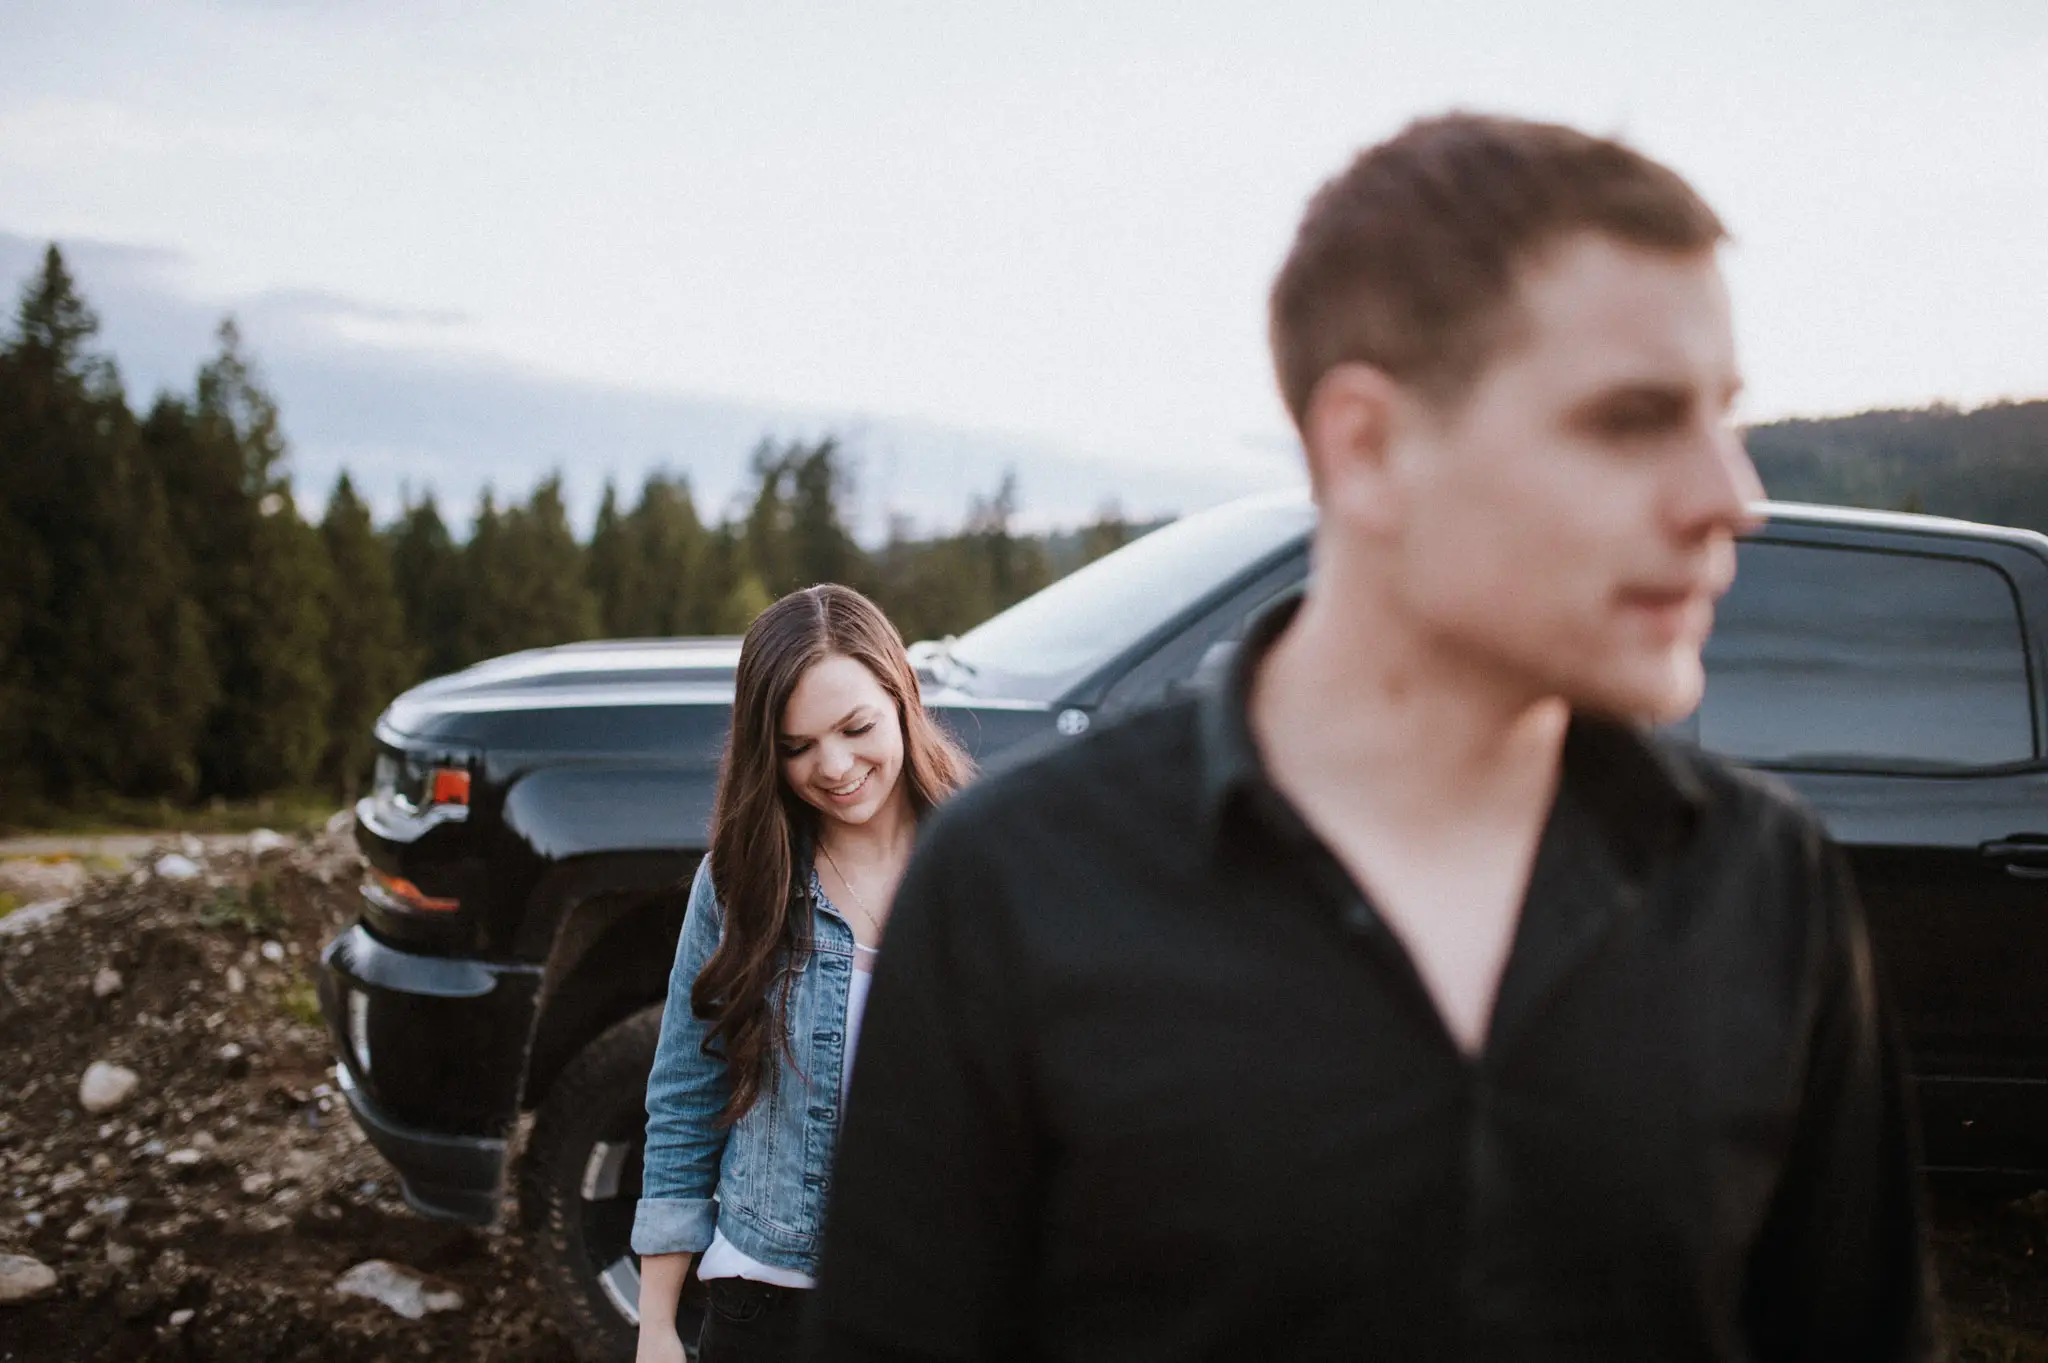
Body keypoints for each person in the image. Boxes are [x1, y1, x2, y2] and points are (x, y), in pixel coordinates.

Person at [805, 114, 1935, 1361]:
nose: (1732, 494)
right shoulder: (1013, 888)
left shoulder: (1763, 886)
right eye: (1632, 417)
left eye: (1721, 415)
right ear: (1368, 446)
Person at [632, 584, 972, 1363]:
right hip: (767, 1309)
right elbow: (687, 1092)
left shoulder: (987, 865)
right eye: (798, 746)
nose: (836, 766)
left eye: (856, 728)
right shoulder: (739, 882)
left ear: (903, 695)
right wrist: (656, 1325)